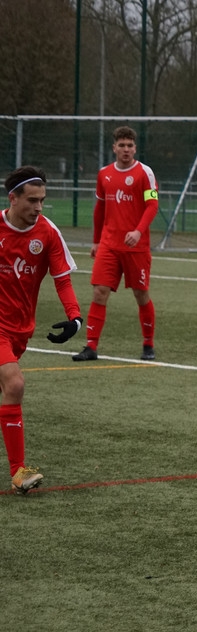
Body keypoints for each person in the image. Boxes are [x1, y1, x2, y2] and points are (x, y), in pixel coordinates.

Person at [1, 167, 83, 493]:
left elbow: (62, 280)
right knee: (15, 384)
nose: (38, 207)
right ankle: (18, 473)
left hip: (21, 329)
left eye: (42, 200)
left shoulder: (48, 232)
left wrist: (75, 318)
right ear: (13, 198)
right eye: (32, 200)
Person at [72, 125, 159, 362]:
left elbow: (152, 205)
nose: (126, 149)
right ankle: (91, 347)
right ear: (114, 148)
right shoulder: (104, 174)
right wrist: (96, 241)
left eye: (130, 145)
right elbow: (100, 209)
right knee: (99, 292)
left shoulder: (145, 173)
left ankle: (148, 344)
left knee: (141, 294)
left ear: (135, 148)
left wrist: (138, 232)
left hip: (136, 247)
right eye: (122, 145)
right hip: (109, 244)